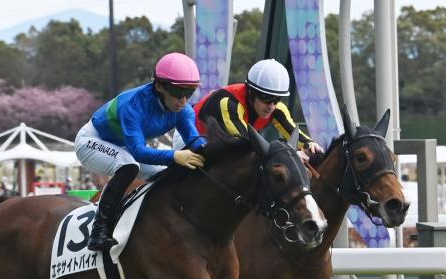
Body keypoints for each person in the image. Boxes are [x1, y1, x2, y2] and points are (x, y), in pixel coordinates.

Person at [75, 52, 207, 251]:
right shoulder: (133, 105)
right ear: (160, 86)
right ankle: (99, 230)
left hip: (123, 147)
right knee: (128, 166)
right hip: (91, 141)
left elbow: (195, 142)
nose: (182, 99)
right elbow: (138, 152)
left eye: (189, 92)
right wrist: (175, 156)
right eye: (177, 91)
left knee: (165, 175)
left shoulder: (183, 111)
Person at [193, 58, 323, 159]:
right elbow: (246, 147)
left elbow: (295, 133)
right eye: (266, 98)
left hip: (220, 146)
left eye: (277, 99)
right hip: (192, 139)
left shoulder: (277, 108)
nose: (271, 106)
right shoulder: (229, 104)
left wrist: (310, 144)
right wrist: (291, 156)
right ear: (251, 92)